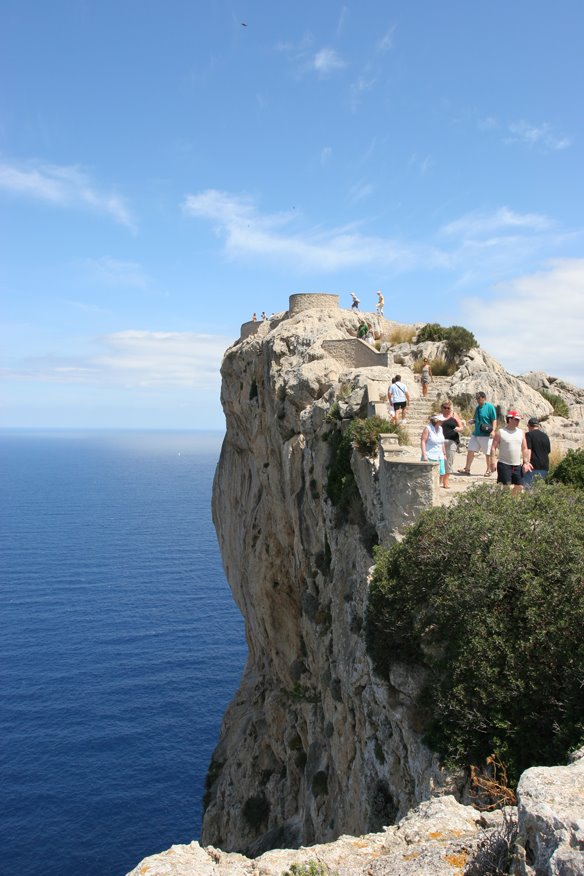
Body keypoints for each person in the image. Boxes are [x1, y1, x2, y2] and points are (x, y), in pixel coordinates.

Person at [490, 410, 532, 494]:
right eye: (516, 419)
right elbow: (493, 447)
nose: (518, 421)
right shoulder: (501, 432)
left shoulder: (521, 432)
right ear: (510, 419)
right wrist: (492, 462)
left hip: (516, 465)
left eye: (518, 420)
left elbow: (524, 448)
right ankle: (504, 503)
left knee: (519, 486)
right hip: (504, 464)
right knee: (505, 487)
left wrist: (526, 462)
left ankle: (512, 502)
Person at [458, 391, 498, 476]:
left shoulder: (490, 407)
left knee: (487, 453)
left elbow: (494, 419)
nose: (477, 400)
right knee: (470, 450)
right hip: (476, 433)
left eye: (479, 398)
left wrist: (493, 430)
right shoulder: (477, 408)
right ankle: (467, 468)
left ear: (484, 398)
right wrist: (472, 421)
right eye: (476, 399)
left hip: (486, 434)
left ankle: (488, 470)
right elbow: (476, 419)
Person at [421, 412, 448, 487]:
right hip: (430, 455)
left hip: (439, 455)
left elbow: (442, 442)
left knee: (442, 473)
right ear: (436, 421)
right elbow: (423, 441)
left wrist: (444, 454)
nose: (442, 422)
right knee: (429, 474)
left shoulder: (440, 428)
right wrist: (424, 455)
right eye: (440, 420)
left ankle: (437, 487)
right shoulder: (427, 428)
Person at [524, 417, 551, 488]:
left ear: (529, 426)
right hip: (545, 466)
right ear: (538, 426)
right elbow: (548, 450)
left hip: (532, 466)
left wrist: (527, 463)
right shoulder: (545, 436)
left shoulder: (528, 435)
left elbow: (528, 450)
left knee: (529, 488)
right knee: (540, 490)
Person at [440, 400, 464, 480]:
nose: (446, 409)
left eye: (448, 408)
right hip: (441, 441)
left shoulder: (454, 415)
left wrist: (458, 429)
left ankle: (446, 480)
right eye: (445, 408)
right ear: (442, 408)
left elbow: (461, 427)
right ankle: (440, 478)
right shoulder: (439, 416)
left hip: (452, 440)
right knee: (441, 460)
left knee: (449, 460)